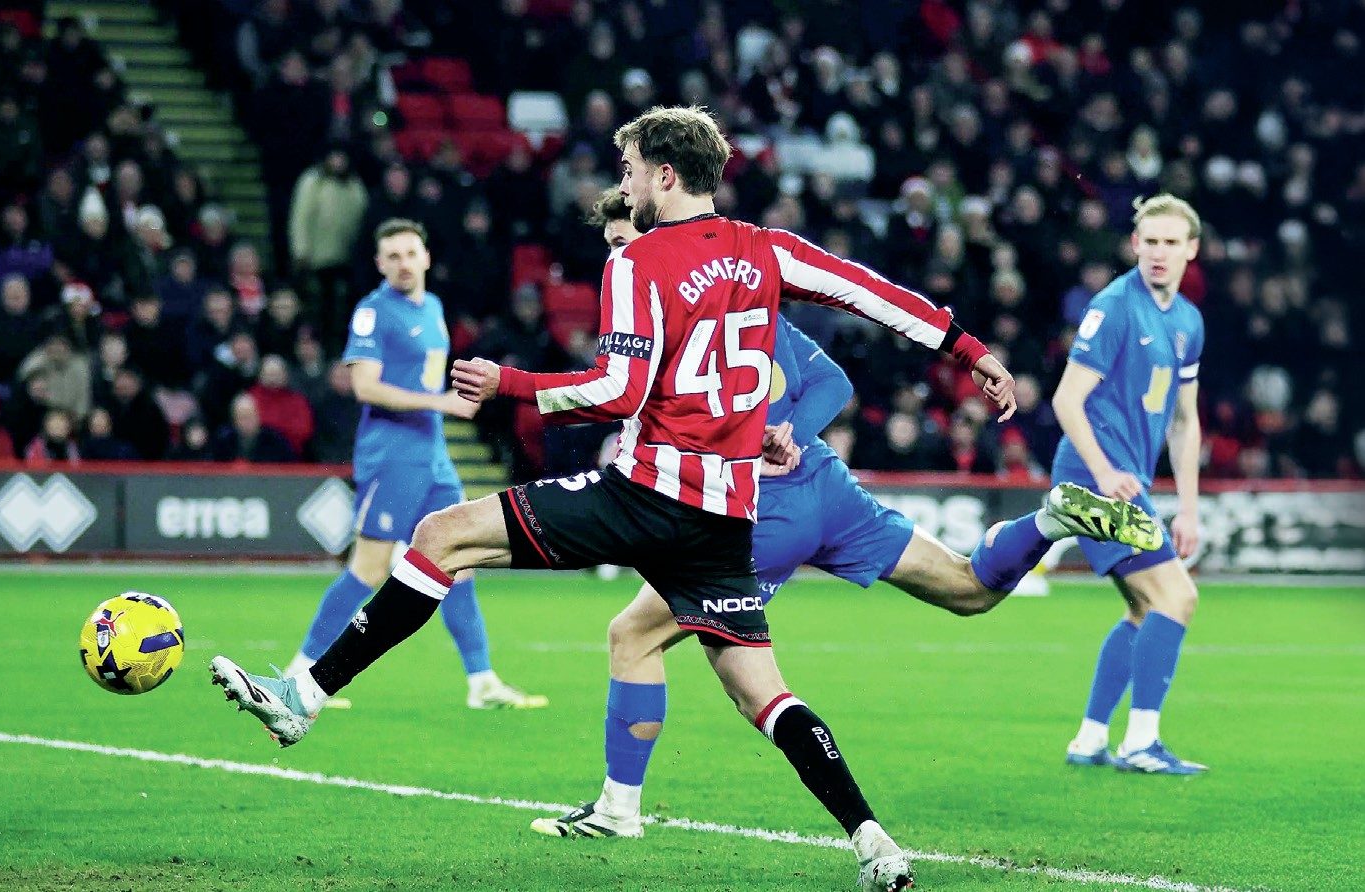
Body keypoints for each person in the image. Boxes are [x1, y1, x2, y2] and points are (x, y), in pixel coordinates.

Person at [212, 107, 1017, 892]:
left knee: (443, 535)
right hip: (725, 520)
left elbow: (616, 388)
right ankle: (874, 843)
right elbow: (873, 294)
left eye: (630, 169)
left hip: (645, 494)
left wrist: (511, 385)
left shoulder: (637, 262)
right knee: (761, 691)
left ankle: (304, 697)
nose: (623, 183)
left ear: (665, 175)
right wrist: (970, 350)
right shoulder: (767, 251)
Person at [528, 188, 1162, 843]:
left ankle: (620, 810)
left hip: (748, 514)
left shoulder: (663, 322)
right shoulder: (745, 305)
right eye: (611, 247)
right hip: (826, 489)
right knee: (968, 589)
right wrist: (796, 432)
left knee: (644, 641)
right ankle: (1052, 521)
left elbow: (630, 403)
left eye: (626, 241)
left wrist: (525, 393)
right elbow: (831, 379)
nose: (620, 256)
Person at [278, 218, 546, 711]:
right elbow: (364, 387)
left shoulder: (435, 307)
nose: (403, 263)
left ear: (425, 257)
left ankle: (481, 681)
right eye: (393, 256)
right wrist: (441, 402)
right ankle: (302, 670)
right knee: (370, 567)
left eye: (410, 253)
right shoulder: (372, 312)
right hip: (392, 455)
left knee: (460, 561)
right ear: (380, 264)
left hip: (433, 456)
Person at [1055, 194, 1208, 775]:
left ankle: (1091, 739)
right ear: (1134, 246)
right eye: (1150, 242)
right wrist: (1101, 473)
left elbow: (1185, 421)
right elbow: (1067, 399)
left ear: (1191, 250)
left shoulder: (1187, 321)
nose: (1159, 253)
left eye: (1172, 242)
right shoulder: (1116, 305)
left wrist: (1188, 510)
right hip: (1094, 476)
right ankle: (1140, 743)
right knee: (1178, 597)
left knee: (1147, 610)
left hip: (1127, 480)